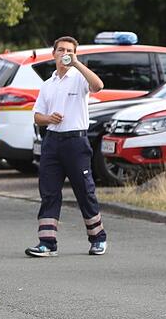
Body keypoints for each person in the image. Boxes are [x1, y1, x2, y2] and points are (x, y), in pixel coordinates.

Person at [26, 36, 108, 257]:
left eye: (69, 50)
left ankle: (98, 238)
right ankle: (47, 242)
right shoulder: (47, 84)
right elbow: (37, 116)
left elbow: (98, 86)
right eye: (61, 49)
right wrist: (48, 118)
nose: (65, 53)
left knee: (85, 190)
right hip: (52, 142)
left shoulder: (79, 78)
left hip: (75, 142)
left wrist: (77, 63)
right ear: (53, 53)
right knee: (49, 192)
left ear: (74, 53)